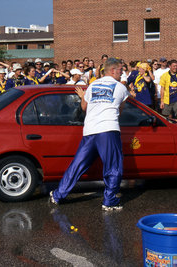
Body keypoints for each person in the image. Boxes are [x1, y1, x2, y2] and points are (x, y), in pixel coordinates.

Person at [50, 58, 129, 211]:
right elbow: (119, 111)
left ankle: (58, 194)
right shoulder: (120, 87)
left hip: (90, 131)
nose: (122, 73)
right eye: (120, 70)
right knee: (113, 166)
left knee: (78, 164)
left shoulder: (92, 85)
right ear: (112, 70)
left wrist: (85, 99)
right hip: (108, 130)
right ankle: (109, 200)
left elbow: (84, 107)